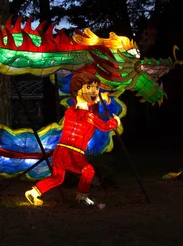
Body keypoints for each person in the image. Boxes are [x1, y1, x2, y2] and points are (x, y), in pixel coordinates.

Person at [25, 71, 121, 206]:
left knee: (57, 178)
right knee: (88, 170)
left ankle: (33, 192)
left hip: (60, 151)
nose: (94, 91)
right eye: (89, 88)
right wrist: (116, 121)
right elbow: (105, 126)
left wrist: (100, 98)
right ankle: (82, 197)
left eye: (95, 88)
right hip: (73, 152)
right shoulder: (87, 116)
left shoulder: (70, 111)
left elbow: (87, 103)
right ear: (78, 90)